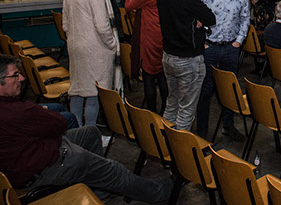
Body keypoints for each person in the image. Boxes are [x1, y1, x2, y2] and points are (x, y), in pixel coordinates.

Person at [0, 55, 172, 201]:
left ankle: (99, 187)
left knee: (90, 132)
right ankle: (158, 192)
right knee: (113, 169)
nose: (21, 78)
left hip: (34, 156)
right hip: (44, 167)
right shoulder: (16, 111)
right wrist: (40, 113)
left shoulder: (11, 108)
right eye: (15, 75)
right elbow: (59, 123)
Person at [157, 0, 216, 131]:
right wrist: (196, 18)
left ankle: (165, 140)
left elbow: (179, 14)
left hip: (168, 55)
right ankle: (180, 146)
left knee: (172, 103)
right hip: (188, 59)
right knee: (186, 110)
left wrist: (193, 18)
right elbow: (210, 18)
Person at [194, 0, 250, 140]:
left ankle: (228, 125)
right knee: (205, 91)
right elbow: (194, 20)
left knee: (229, 90)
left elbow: (245, 18)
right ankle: (201, 132)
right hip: (209, 48)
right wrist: (203, 43)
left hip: (230, 49)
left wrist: (238, 41)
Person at [63, 0, 120, 126]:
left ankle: (76, 129)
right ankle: (90, 131)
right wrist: (112, 44)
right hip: (95, 49)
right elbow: (102, 26)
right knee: (94, 92)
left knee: (77, 89)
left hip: (75, 46)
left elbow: (65, 24)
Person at [124, 0, 167, 113]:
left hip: (150, 35)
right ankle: (165, 111)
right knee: (162, 75)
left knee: (149, 77)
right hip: (164, 34)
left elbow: (128, 6)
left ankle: (151, 114)